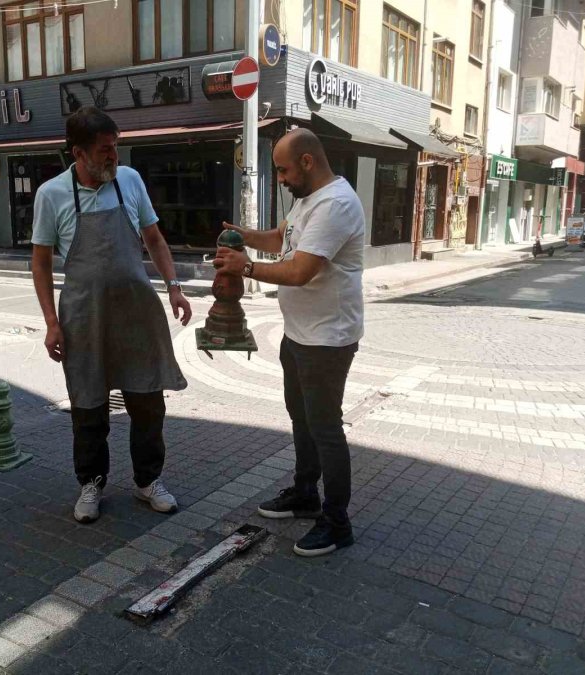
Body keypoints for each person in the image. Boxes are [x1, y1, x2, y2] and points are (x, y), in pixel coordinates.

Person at [31, 106, 192, 524]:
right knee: (89, 406)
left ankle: (147, 481)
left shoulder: (130, 181)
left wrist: (174, 287)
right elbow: (41, 263)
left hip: (136, 312)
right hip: (84, 316)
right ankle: (91, 484)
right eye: (104, 150)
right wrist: (51, 322)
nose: (112, 157)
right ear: (78, 152)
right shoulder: (52, 194)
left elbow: (154, 239)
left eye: (115, 148)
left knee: (147, 402)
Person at [213, 128, 364, 557]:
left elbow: (300, 270)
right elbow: (283, 240)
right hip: (299, 334)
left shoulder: (336, 204)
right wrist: (244, 236)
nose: (279, 178)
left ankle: (337, 523)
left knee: (326, 429)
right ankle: (305, 493)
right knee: (301, 419)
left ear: (307, 162)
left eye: (282, 169)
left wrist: (247, 269)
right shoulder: (307, 199)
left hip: (327, 340)